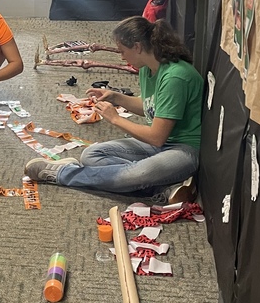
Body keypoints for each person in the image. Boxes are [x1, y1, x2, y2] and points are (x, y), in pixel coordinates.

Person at [24, 17, 203, 199]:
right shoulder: (147, 68)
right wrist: (116, 97)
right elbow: (150, 106)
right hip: (159, 146)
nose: (121, 56)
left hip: (182, 149)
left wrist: (116, 119)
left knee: (137, 174)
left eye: (123, 51)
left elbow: (157, 137)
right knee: (91, 156)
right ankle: (162, 189)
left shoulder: (175, 77)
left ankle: (63, 174)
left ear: (137, 47)